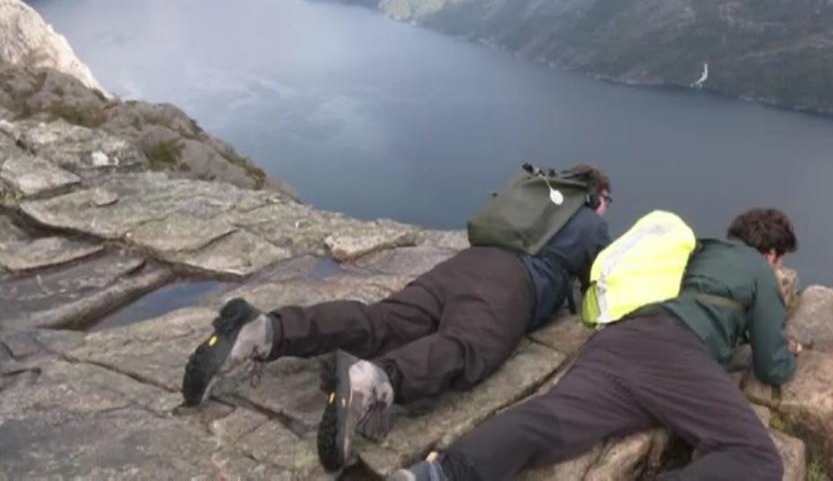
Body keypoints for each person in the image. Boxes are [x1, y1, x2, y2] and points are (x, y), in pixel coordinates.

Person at [180, 164, 613, 472]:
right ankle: (372, 382)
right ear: (598, 197)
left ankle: (265, 330)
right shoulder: (590, 222)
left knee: (379, 322)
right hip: (509, 286)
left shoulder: (538, 200)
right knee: (467, 346)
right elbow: (601, 283)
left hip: (461, 267)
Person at [401, 207, 800, 481]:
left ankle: (442, 472)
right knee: (756, 457)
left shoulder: (693, 250)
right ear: (771, 255)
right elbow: (772, 366)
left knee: (550, 419)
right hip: (674, 353)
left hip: (619, 339)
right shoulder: (756, 269)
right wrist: (790, 353)